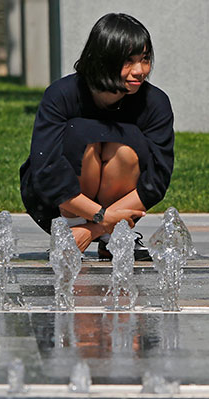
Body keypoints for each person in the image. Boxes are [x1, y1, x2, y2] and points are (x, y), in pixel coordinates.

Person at [20, 13, 175, 260]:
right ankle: (71, 228)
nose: (140, 70)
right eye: (128, 61)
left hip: (118, 207)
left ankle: (107, 236)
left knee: (127, 145)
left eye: (144, 59)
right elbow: (46, 168)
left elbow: (156, 179)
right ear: (103, 59)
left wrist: (96, 227)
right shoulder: (61, 95)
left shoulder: (155, 103)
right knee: (81, 134)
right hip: (54, 200)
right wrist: (100, 215)